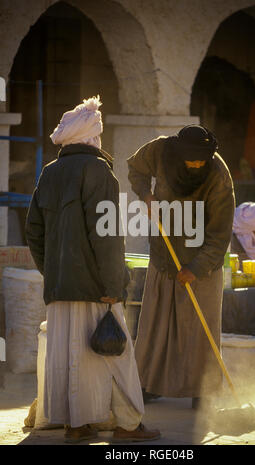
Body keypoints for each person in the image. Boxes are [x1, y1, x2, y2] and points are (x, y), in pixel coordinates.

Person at [25, 96, 160, 444]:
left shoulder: (49, 173)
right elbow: (108, 237)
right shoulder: (99, 172)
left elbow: (34, 231)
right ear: (92, 139)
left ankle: (77, 423)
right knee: (119, 358)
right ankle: (128, 424)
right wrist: (115, 284)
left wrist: (53, 273)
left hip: (60, 287)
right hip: (98, 287)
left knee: (70, 357)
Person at [127, 125, 235, 411]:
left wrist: (197, 267)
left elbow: (220, 232)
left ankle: (204, 391)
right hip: (164, 253)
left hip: (202, 262)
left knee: (200, 329)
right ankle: (148, 385)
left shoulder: (218, 174)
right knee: (154, 325)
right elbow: (135, 168)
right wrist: (145, 194)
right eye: (192, 159)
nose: (197, 164)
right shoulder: (161, 150)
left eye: (202, 159)